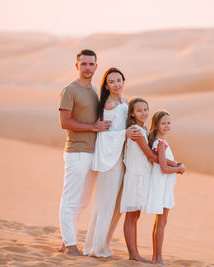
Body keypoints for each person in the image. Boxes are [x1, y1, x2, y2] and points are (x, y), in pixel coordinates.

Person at [58, 49, 111, 256]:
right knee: (70, 199)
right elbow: (65, 122)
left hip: (92, 153)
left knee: (82, 202)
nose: (87, 67)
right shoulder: (69, 90)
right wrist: (93, 128)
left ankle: (66, 239)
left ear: (96, 67)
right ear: (77, 65)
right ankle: (71, 245)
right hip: (76, 152)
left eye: (91, 64)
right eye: (84, 64)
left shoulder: (93, 92)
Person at [83, 67, 141, 258]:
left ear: (124, 82)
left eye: (119, 80)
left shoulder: (125, 101)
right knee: (105, 204)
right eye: (112, 82)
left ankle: (104, 244)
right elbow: (104, 136)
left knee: (117, 206)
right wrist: (124, 134)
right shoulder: (107, 104)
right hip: (110, 160)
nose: (116, 84)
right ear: (106, 86)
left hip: (123, 158)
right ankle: (96, 248)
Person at [120, 98, 181, 263]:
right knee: (131, 215)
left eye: (145, 109)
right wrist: (175, 165)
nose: (143, 113)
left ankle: (135, 253)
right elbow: (150, 156)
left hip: (142, 175)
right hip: (136, 176)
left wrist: (172, 164)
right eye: (139, 110)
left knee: (135, 214)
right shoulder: (137, 131)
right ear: (132, 113)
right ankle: (133, 254)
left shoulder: (143, 130)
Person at [146, 110, 186, 265]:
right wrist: (179, 169)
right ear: (156, 125)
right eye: (163, 123)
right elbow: (163, 168)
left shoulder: (159, 141)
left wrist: (176, 164)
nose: (167, 126)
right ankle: (158, 258)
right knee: (161, 222)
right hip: (162, 186)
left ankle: (156, 256)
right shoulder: (160, 143)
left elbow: (163, 162)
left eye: (169, 123)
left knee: (160, 222)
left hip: (163, 186)